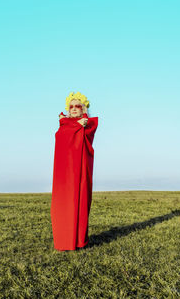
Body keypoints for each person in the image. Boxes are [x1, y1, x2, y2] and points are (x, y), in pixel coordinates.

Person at [51, 91, 98, 251]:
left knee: (80, 203)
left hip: (81, 172)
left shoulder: (87, 124)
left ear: (84, 108)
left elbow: (88, 131)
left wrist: (78, 125)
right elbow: (62, 138)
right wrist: (71, 125)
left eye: (78, 106)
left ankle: (79, 241)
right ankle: (64, 241)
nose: (74, 108)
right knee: (63, 204)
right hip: (64, 174)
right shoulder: (64, 125)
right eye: (71, 106)